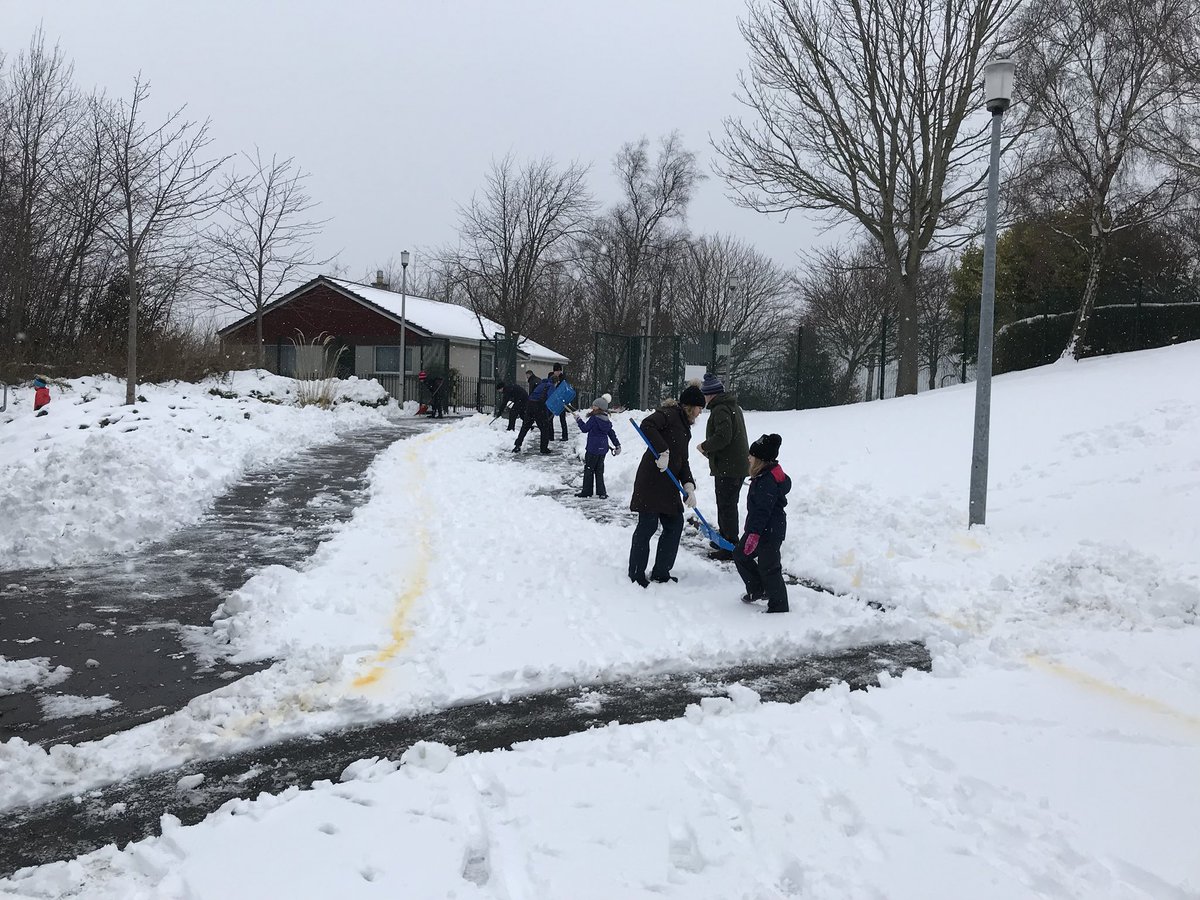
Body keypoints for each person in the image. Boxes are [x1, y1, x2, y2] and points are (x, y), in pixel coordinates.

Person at [628, 383, 706, 587]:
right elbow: (647, 425)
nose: (700, 413)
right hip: (652, 480)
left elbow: (683, 460)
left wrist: (689, 485)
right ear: (690, 406)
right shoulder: (669, 414)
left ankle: (661, 572)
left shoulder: (684, 427)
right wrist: (662, 450)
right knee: (647, 526)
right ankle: (636, 573)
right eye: (699, 408)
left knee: (674, 525)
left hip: (669, 484)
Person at [735, 433, 791, 613]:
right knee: (740, 555)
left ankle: (779, 606)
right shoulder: (763, 476)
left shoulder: (767, 481)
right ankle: (757, 589)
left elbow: (762, 511)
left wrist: (754, 535)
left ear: (760, 460)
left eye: (752, 455)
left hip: (769, 531)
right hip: (759, 529)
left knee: (770, 568)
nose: (748, 458)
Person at [696, 373, 749, 561]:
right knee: (727, 504)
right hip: (735, 464)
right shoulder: (733, 406)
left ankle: (730, 545)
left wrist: (705, 446)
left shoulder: (720, 409)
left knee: (726, 505)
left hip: (729, 467)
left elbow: (723, 437)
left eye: (704, 394)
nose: (703, 399)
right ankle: (726, 539)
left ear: (710, 395)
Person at [574, 397, 621, 498]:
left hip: (593, 448)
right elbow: (611, 433)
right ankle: (601, 492)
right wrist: (617, 445)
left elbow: (585, 429)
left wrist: (578, 420)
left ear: (599, 407)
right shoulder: (606, 419)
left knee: (589, 470)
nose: (592, 407)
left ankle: (587, 491)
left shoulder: (594, 419)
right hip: (603, 449)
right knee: (599, 471)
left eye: (594, 405)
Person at [513, 371, 554, 454]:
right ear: (556, 382)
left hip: (530, 404)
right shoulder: (551, 385)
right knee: (544, 428)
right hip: (539, 406)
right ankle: (544, 448)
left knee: (525, 427)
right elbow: (550, 400)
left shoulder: (541, 384)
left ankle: (517, 445)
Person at [552, 366, 570, 441]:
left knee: (562, 419)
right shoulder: (552, 378)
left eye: (559, 371)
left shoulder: (563, 379)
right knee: (550, 418)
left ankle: (565, 436)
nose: (558, 372)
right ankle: (550, 435)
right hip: (554, 400)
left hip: (561, 400)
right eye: (557, 371)